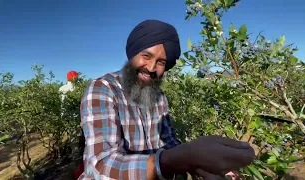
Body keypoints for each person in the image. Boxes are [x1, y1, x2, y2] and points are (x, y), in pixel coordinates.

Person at [78, 19, 255, 180]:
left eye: (161, 62)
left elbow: (169, 142)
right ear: (132, 55)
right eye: (146, 56)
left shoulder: (159, 97)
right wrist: (182, 158)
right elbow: (101, 166)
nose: (152, 67)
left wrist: (201, 164)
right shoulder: (103, 89)